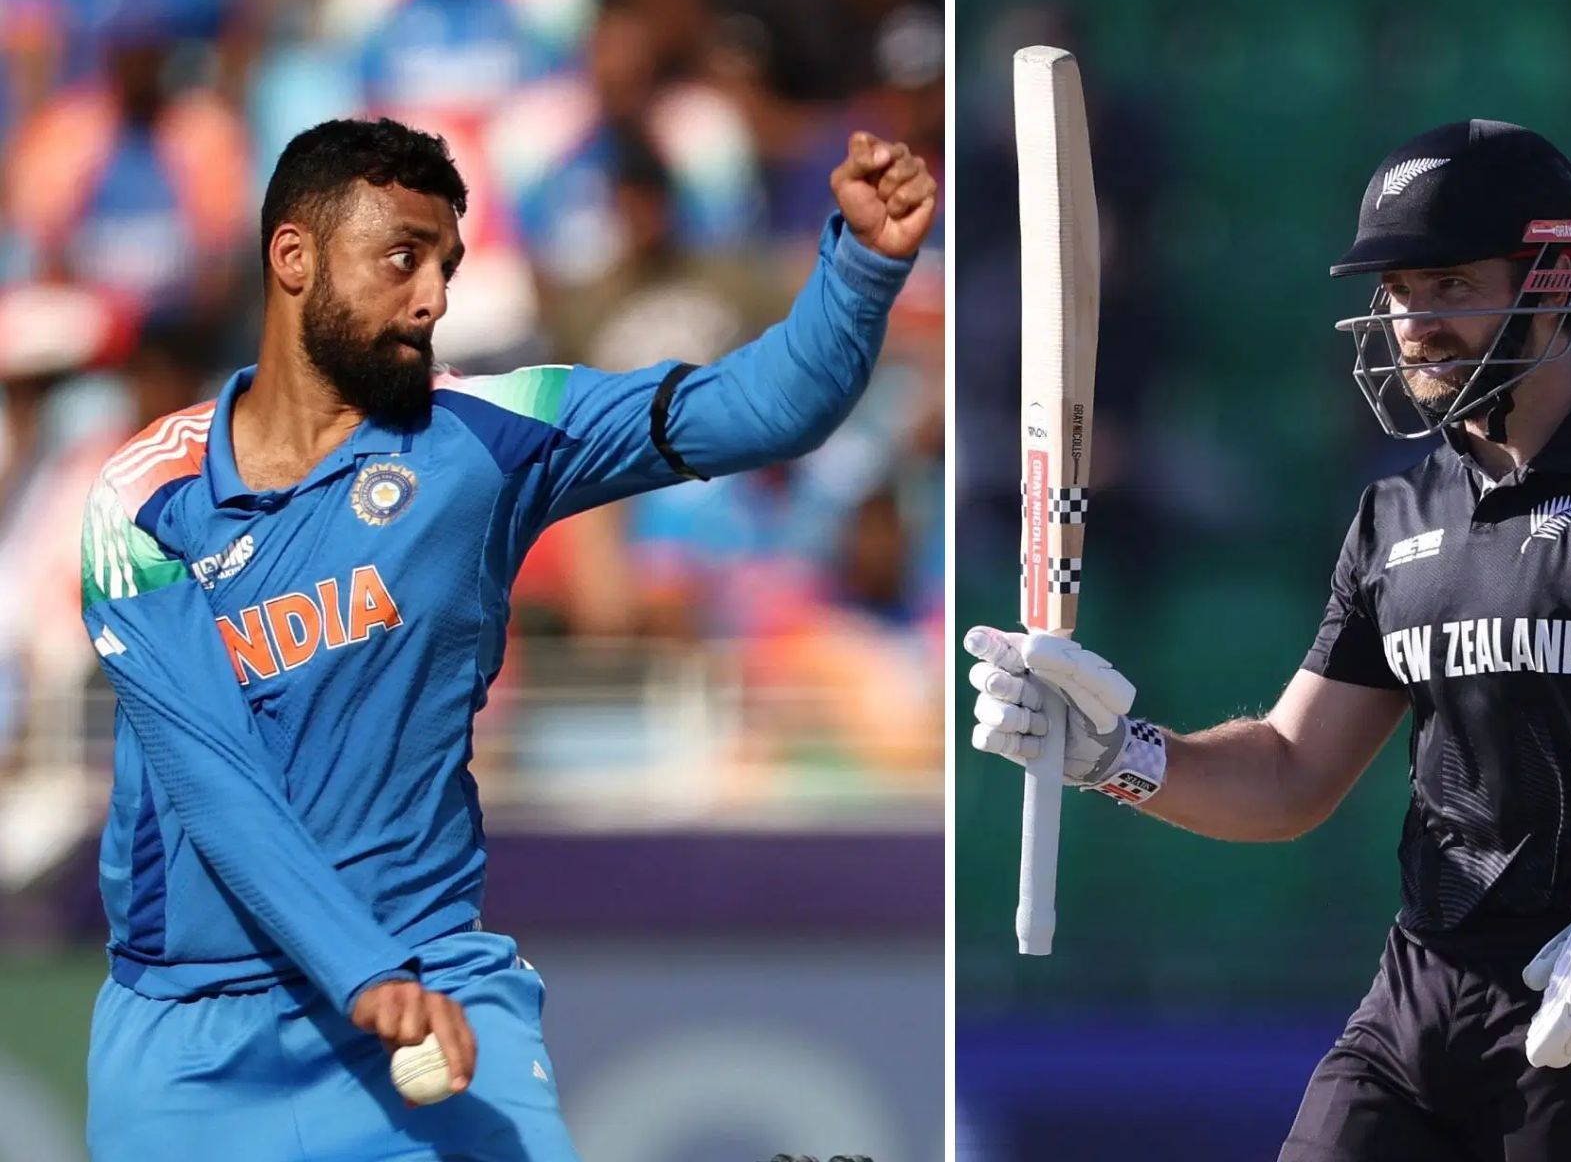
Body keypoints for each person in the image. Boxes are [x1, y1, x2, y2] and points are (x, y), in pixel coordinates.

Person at [963, 119, 1571, 1161]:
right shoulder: (1394, 516)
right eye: (1397, 291)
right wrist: (1112, 755)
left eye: (1449, 285)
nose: (1413, 323)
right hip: (1419, 1002)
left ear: (1552, 279)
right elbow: (1290, 772)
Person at [81, 115, 934, 1161]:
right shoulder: (140, 499)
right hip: (191, 1043)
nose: (434, 297)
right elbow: (213, 776)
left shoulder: (487, 437)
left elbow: (762, 408)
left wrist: (858, 270)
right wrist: (363, 975)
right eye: (402, 259)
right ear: (293, 257)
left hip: (434, 987)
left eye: (446, 265)